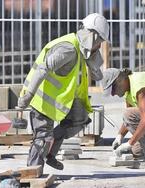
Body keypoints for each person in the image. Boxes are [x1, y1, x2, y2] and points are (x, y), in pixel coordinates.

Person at [17, 13, 109, 171]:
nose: (100, 46)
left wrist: (93, 61)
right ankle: (33, 172)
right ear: (92, 36)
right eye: (99, 41)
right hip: (42, 100)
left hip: (59, 101)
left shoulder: (80, 50)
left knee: (79, 117)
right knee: (42, 137)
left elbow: (98, 76)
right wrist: (28, 96)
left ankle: (50, 154)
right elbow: (42, 69)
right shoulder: (68, 49)